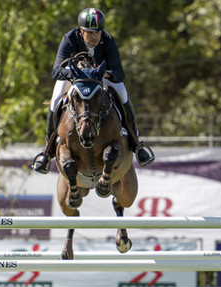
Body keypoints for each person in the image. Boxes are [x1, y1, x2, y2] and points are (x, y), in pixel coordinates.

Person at [31, 7, 155, 174]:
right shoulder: (69, 38)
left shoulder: (108, 40)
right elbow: (56, 71)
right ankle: (47, 151)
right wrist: (75, 72)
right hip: (75, 77)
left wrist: (104, 73)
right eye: (90, 32)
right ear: (81, 31)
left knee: (123, 95)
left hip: (100, 76)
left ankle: (137, 145)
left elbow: (119, 73)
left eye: (97, 32)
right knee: (56, 99)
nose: (95, 36)